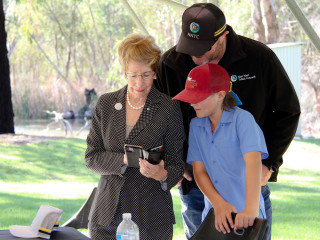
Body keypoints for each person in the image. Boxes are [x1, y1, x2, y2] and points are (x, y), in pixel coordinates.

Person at [154, 3, 301, 239]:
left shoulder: (259, 58)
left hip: (246, 185)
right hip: (197, 188)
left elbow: (288, 111)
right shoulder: (170, 64)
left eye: (203, 48)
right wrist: (171, 162)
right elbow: (154, 120)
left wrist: (270, 162)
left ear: (224, 35)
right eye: (190, 47)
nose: (196, 55)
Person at [85, 33, 185, 240]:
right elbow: (91, 158)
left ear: (155, 72)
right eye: (133, 75)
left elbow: (177, 165)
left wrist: (161, 173)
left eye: (146, 75)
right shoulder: (106, 104)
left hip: (151, 216)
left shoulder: (169, 108)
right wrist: (125, 159)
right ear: (124, 73)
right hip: (106, 216)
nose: (139, 82)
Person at [173, 63, 268, 234]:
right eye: (190, 97)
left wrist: (251, 209)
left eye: (198, 97)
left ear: (220, 95)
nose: (192, 103)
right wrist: (218, 204)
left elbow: (253, 164)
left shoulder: (243, 120)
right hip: (215, 217)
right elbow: (199, 171)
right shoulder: (196, 125)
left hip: (246, 216)